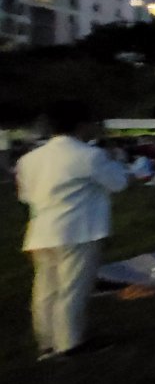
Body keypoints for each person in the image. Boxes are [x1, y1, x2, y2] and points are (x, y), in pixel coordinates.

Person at [16, 100, 129, 359]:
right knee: (72, 289)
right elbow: (118, 183)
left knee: (45, 289)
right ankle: (70, 343)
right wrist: (114, 160)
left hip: (42, 230)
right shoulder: (89, 155)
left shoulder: (29, 159)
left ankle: (46, 343)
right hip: (78, 230)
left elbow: (26, 196)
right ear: (82, 125)